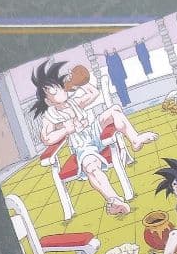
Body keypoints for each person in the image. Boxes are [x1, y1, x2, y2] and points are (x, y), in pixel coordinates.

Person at [31, 60, 157, 215]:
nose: (60, 90)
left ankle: (135, 139)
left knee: (115, 110)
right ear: (48, 101)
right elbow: (46, 138)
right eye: (54, 91)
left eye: (59, 87)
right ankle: (114, 200)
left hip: (94, 131)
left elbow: (94, 93)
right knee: (91, 167)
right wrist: (65, 130)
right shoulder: (51, 116)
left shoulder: (74, 102)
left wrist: (77, 81)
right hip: (82, 145)